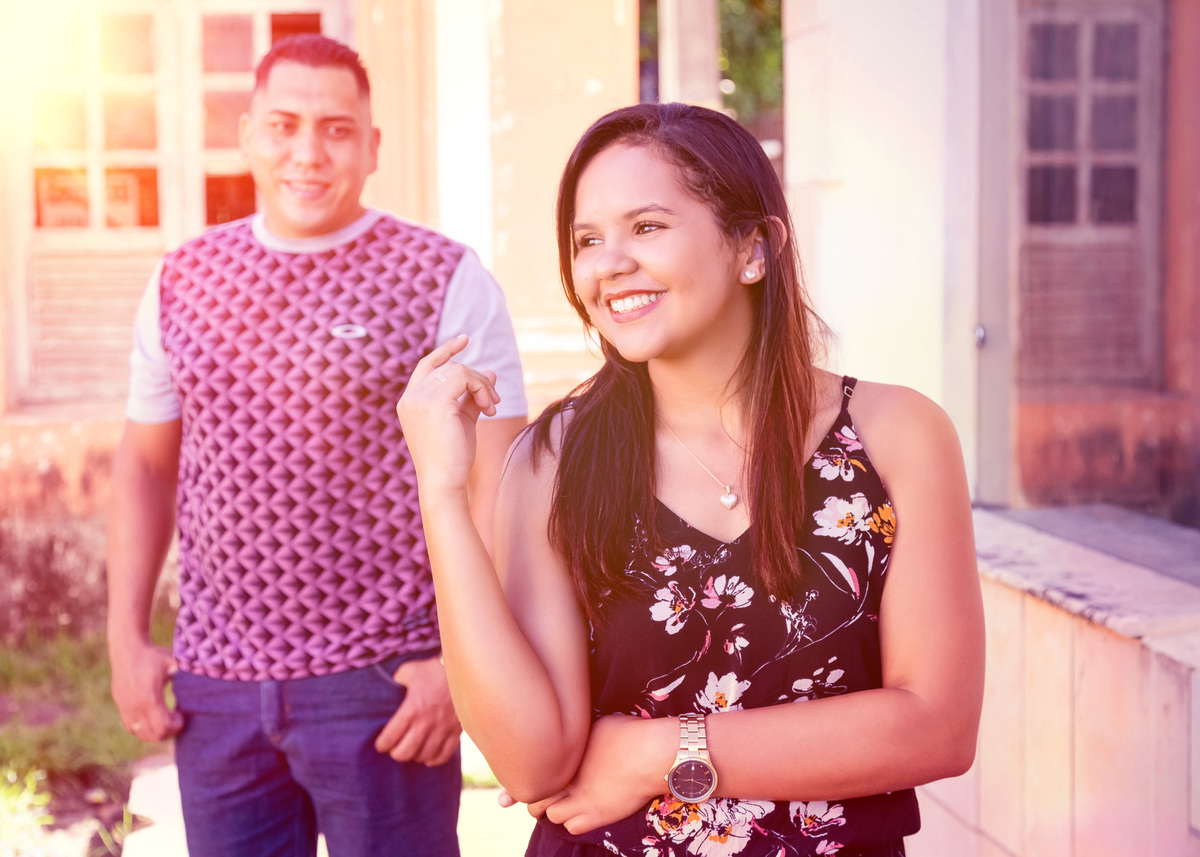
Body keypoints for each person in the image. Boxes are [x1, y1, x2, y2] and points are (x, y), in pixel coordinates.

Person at [396, 102, 985, 857]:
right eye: (587, 240)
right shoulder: (556, 458)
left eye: (646, 227)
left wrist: (661, 752)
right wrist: (442, 494)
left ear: (753, 247)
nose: (608, 264)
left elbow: (938, 726)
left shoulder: (897, 435)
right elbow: (532, 762)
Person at [106, 33, 527, 857]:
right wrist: (126, 636)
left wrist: (460, 665)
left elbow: (504, 482)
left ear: (372, 146)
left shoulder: (444, 277)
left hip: (388, 684)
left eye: (337, 129)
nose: (308, 152)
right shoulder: (182, 279)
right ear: (247, 135)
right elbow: (146, 468)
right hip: (216, 690)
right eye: (284, 125)